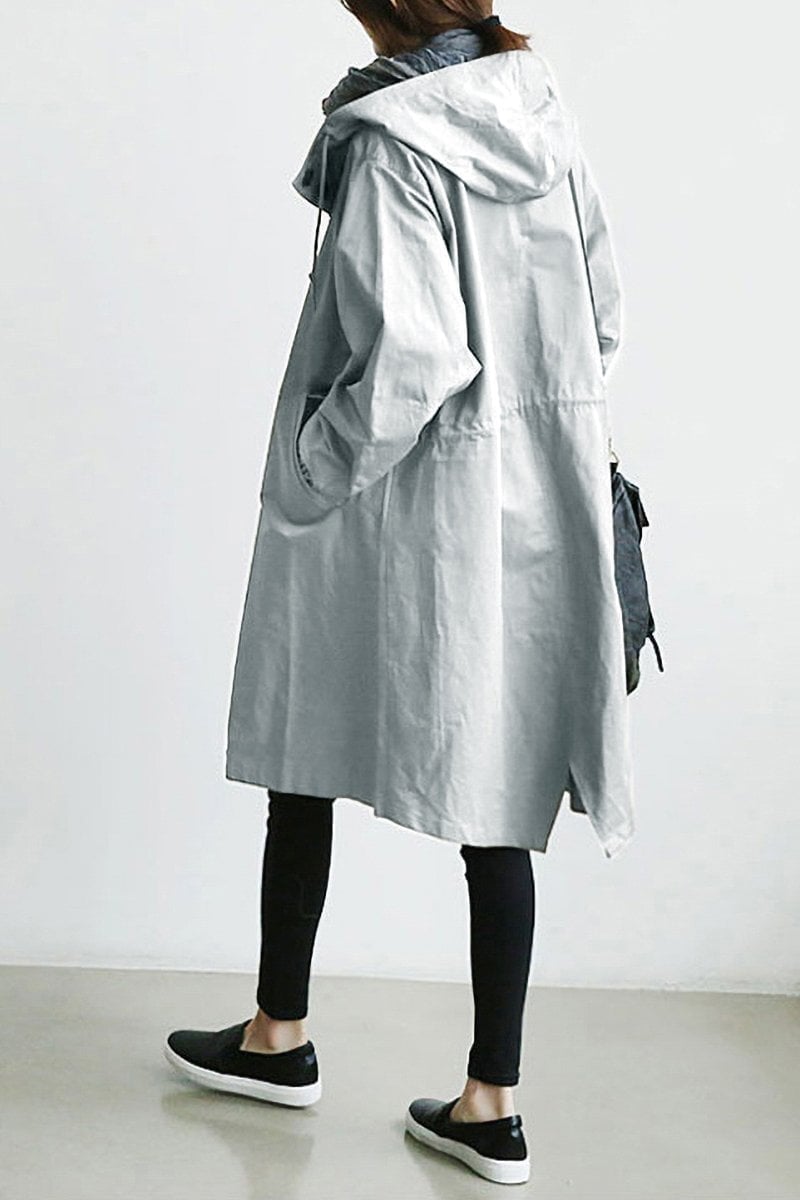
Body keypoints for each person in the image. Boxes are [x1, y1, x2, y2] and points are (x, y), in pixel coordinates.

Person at [164, 1, 633, 1186]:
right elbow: (603, 316)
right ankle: (489, 1101)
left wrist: (313, 464)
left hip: (394, 492)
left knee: (303, 731)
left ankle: (279, 1036)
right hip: (532, 493)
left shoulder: (390, 139)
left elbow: (411, 363)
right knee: (501, 777)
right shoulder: (539, 110)